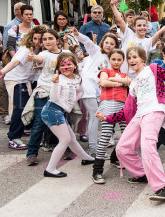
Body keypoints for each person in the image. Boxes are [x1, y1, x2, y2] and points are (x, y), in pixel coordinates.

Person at [115, 46, 165, 201]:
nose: (132, 60)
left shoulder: (153, 69)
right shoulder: (133, 83)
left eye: (135, 56)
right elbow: (128, 108)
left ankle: (163, 187)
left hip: (154, 111)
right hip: (140, 115)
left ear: (142, 58)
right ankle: (142, 173)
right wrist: (109, 118)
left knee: (148, 147)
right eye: (129, 58)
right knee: (122, 148)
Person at [41, 53, 95, 178]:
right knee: (65, 140)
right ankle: (50, 169)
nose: (65, 67)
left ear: (75, 65)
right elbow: (54, 99)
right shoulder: (58, 79)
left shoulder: (77, 78)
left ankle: (86, 158)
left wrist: (73, 100)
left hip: (61, 112)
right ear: (59, 67)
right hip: (52, 111)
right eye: (62, 65)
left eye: (69, 64)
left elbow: (81, 90)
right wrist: (55, 83)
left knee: (71, 139)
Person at [70, 26, 120, 155]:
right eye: (107, 42)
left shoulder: (112, 60)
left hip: (99, 91)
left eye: (112, 43)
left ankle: (98, 146)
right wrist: (78, 34)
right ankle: (93, 149)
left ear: (116, 46)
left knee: (99, 117)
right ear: (102, 43)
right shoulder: (96, 50)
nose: (108, 45)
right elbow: (87, 42)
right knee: (94, 116)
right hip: (88, 88)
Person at [24, 29, 70, 166]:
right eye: (44, 39)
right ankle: (32, 153)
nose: (47, 41)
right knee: (39, 123)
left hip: (62, 92)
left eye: (50, 38)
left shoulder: (65, 54)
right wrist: (32, 57)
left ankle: (67, 149)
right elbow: (40, 59)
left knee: (64, 121)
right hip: (44, 91)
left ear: (57, 40)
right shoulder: (44, 54)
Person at [0, 25, 47, 150]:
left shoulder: (42, 51)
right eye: (35, 38)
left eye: (40, 39)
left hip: (26, 80)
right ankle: (13, 138)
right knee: (19, 107)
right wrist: (3, 71)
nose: (37, 42)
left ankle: (25, 128)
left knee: (29, 107)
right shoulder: (26, 49)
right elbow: (15, 62)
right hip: (15, 79)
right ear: (31, 38)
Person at [91, 49, 130, 184]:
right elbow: (103, 83)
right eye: (114, 59)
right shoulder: (105, 71)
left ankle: (114, 158)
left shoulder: (125, 74)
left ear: (123, 60)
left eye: (119, 59)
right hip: (108, 104)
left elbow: (129, 82)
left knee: (126, 135)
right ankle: (97, 170)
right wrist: (120, 83)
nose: (116, 62)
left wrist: (115, 80)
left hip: (123, 106)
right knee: (106, 136)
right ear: (109, 59)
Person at [110, 0, 165, 78]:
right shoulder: (128, 34)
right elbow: (120, 20)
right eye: (139, 25)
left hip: (139, 77)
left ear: (147, 27)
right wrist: (113, 6)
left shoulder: (148, 41)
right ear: (134, 27)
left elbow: (161, 31)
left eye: (144, 25)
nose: (142, 28)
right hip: (124, 75)